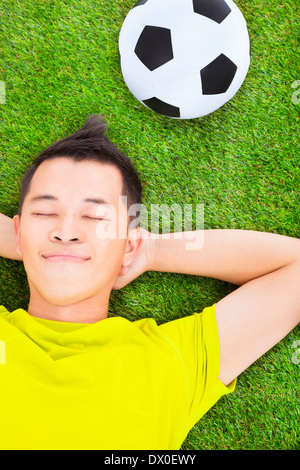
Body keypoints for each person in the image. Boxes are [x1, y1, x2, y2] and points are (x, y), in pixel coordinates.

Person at [0, 114, 299, 450]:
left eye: (95, 216)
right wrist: (29, 243)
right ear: (18, 231)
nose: (66, 232)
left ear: (129, 244)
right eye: (44, 214)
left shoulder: (171, 359)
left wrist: (150, 250)